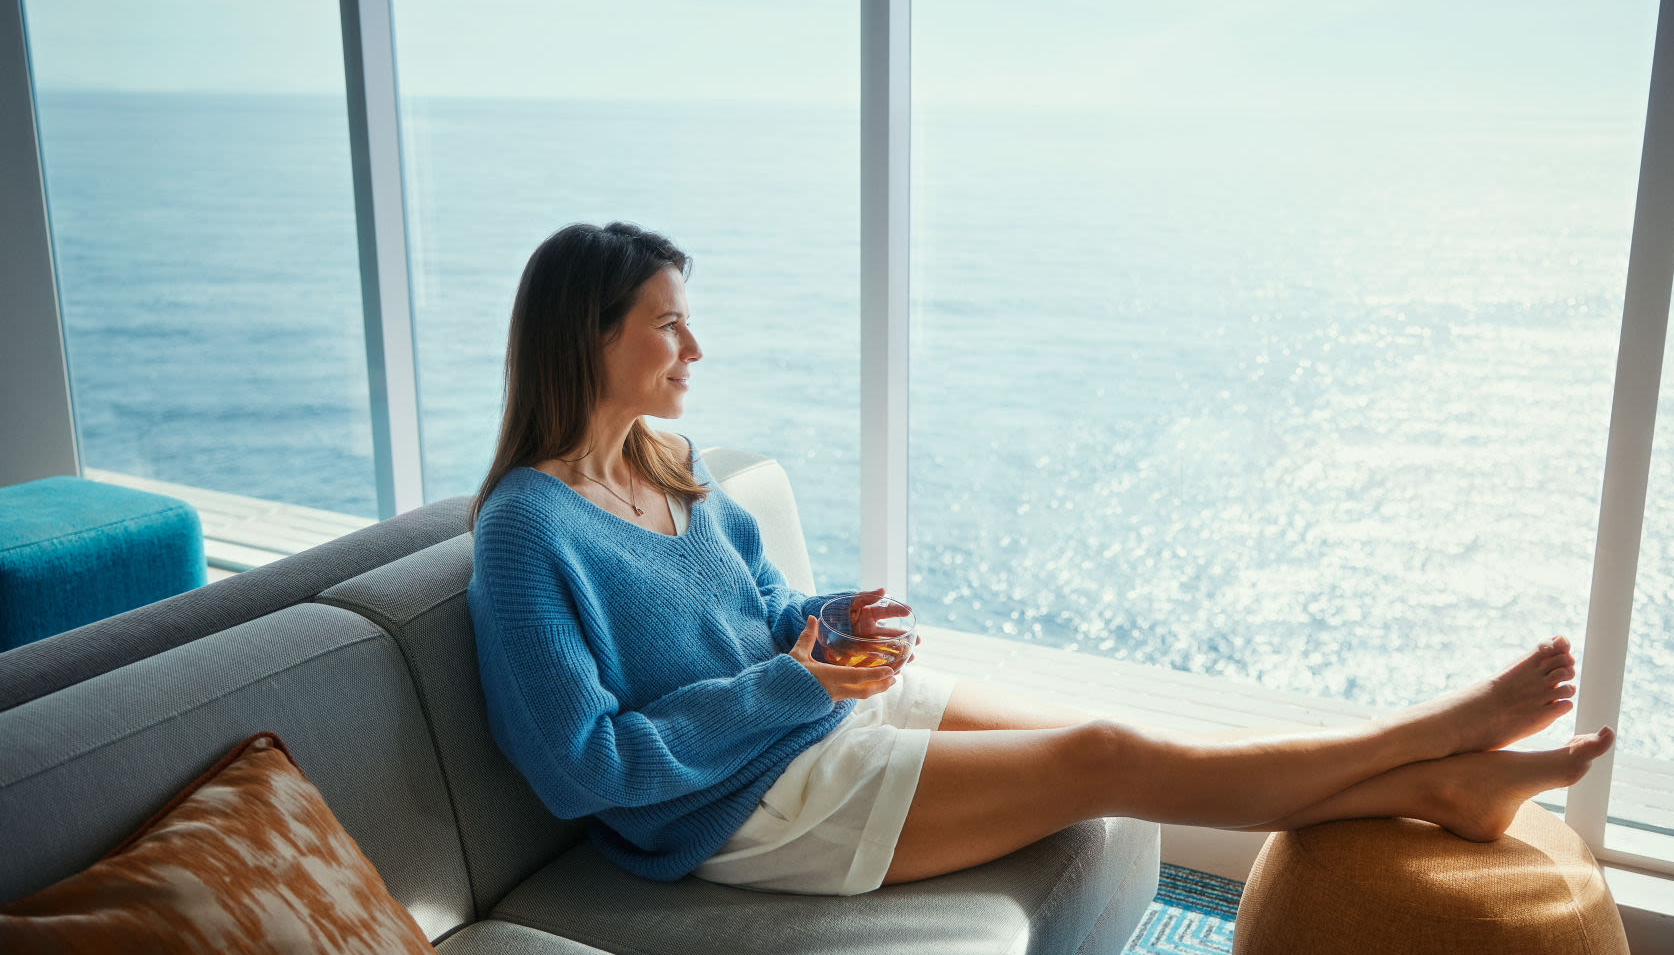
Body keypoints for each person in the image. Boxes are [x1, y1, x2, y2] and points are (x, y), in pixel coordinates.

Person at [467, 221, 1615, 898]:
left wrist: (825, 624)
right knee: (1110, 753)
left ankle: (1439, 782)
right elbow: (584, 766)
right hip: (744, 806)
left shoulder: (671, 462)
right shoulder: (528, 533)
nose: (694, 346)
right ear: (592, 336)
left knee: (1125, 735)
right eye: (668, 324)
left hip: (810, 713)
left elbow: (760, 610)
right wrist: (793, 682)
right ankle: (1426, 740)